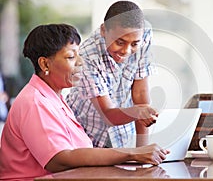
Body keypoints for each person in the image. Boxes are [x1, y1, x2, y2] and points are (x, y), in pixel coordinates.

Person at [0, 24, 169, 181]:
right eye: (71, 56)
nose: (81, 62)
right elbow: (60, 159)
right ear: (45, 63)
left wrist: (136, 155)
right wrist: (132, 154)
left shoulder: (54, 98)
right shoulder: (34, 102)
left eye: (79, 54)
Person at [66, 0, 157, 148]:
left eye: (134, 44)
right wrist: (138, 112)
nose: (126, 51)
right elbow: (108, 115)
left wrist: (142, 150)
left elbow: (140, 94)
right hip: (85, 134)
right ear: (103, 30)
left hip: (121, 133)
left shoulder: (143, 34)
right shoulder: (87, 57)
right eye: (120, 42)